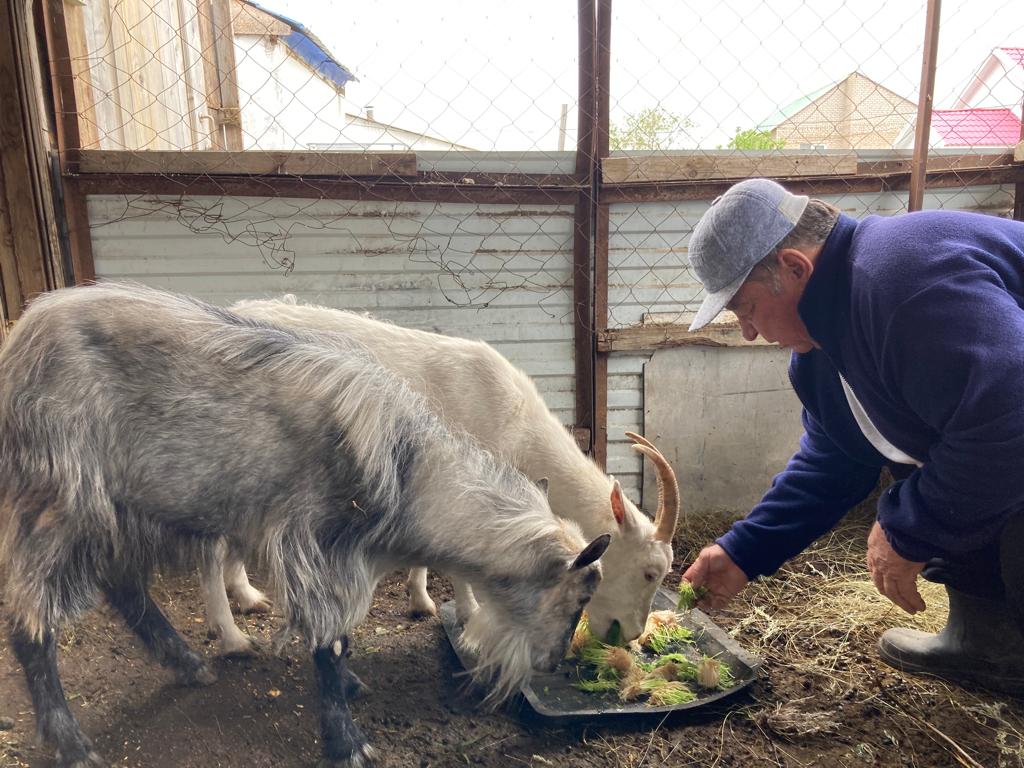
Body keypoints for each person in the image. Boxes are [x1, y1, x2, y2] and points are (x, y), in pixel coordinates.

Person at [680, 177, 1024, 695]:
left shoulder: (901, 281)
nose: (748, 332)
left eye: (745, 309)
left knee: (958, 491)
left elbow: (1011, 417)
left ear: (795, 268)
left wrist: (911, 528)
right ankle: (991, 644)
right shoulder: (820, 353)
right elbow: (835, 462)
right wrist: (743, 550)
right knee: (943, 484)